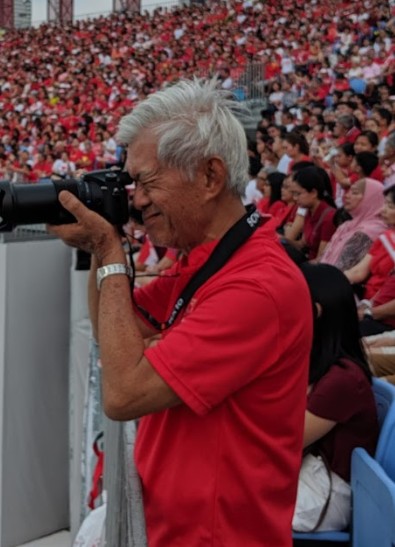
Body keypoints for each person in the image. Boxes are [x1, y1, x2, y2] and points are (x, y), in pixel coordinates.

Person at [48, 78, 312, 547]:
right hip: (168, 525)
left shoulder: (257, 286)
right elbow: (113, 329)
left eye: (147, 181)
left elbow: (124, 393)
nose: (137, 199)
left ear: (210, 177)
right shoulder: (209, 261)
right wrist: (99, 244)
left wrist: (109, 248)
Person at [293, 264, 378, 532]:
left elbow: (286, 440)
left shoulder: (342, 379)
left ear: (315, 312)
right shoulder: (323, 365)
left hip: (325, 493)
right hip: (309, 477)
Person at [345, 185, 395, 335]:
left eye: (390, 206)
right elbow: (358, 271)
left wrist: (368, 313)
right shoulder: (385, 238)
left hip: (385, 317)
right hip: (369, 305)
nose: (383, 210)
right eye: (384, 204)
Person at [320, 178, 385, 272]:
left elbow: (342, 268)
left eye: (354, 193)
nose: (347, 196)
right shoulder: (347, 226)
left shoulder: (368, 232)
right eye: (349, 191)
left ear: (370, 199)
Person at [288, 166, 337, 262]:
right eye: (293, 194)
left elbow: (321, 259)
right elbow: (302, 243)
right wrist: (280, 239)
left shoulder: (328, 217)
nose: (295, 198)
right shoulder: (309, 211)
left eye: (298, 194)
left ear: (314, 193)